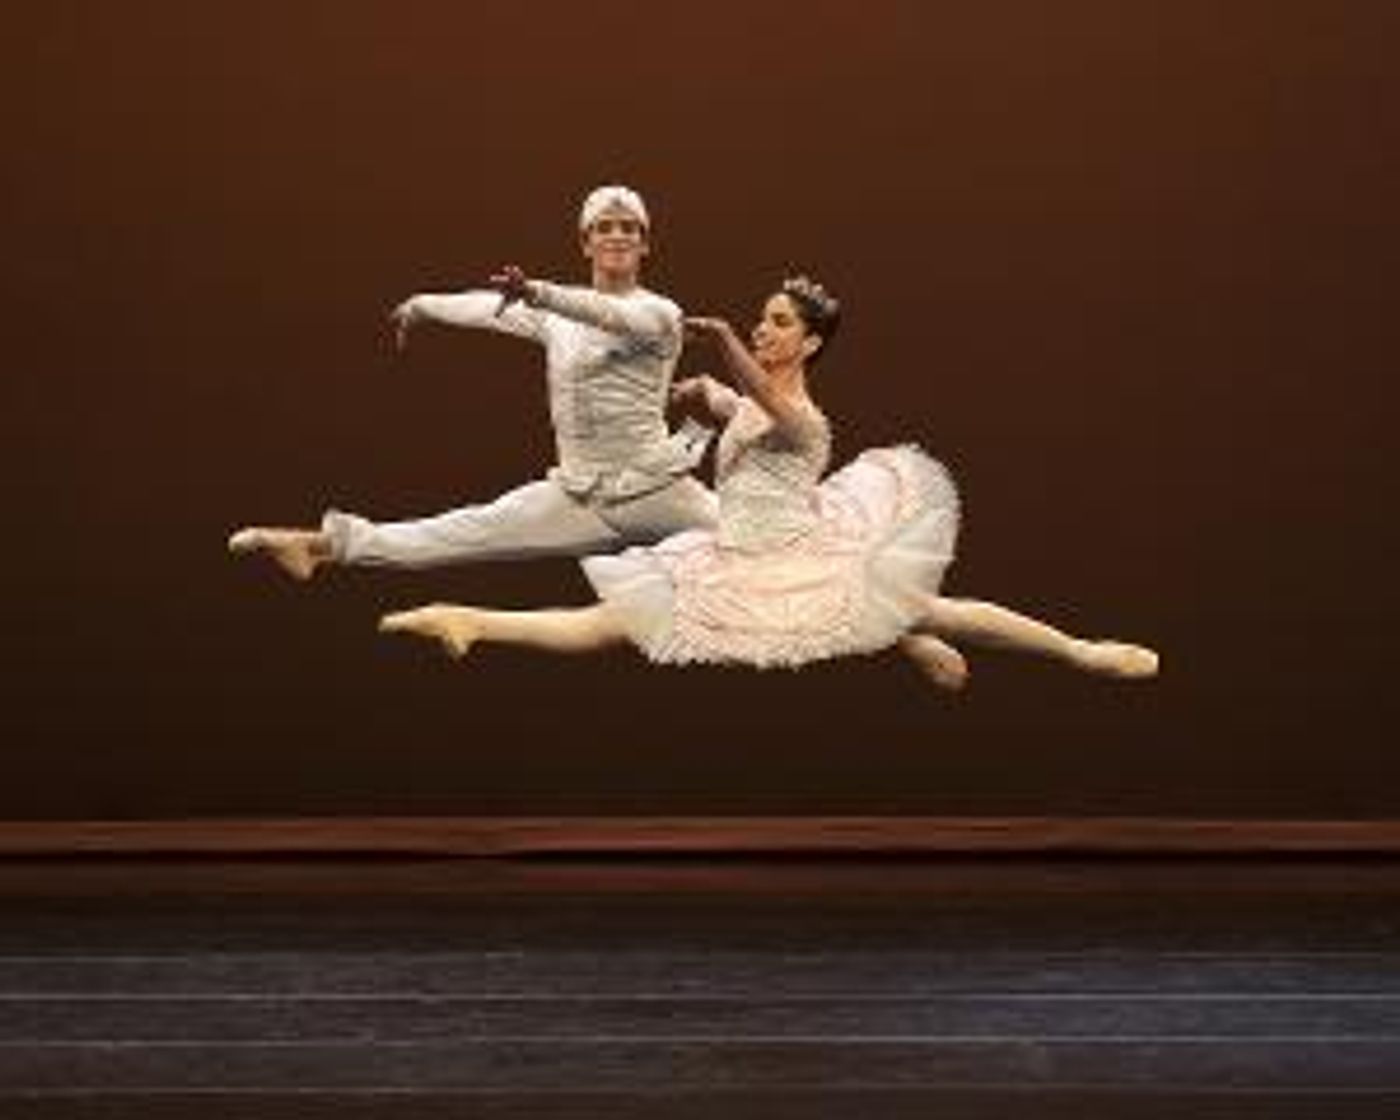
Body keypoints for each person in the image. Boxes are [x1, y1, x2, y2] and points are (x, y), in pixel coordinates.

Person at [379, 276, 1160, 688]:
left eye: (780, 322)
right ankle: (467, 619)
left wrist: (721, 346)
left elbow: (757, 400)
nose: (764, 326)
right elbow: (732, 404)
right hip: (730, 548)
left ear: (811, 343)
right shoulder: (751, 403)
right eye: (762, 317)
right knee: (610, 625)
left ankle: (1078, 651)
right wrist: (696, 395)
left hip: (791, 552)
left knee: (929, 608)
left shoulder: (806, 421)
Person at [228, 185, 716, 580]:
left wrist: (537, 292)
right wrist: (422, 305)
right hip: (580, 494)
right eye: (604, 227)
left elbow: (609, 313)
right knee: (460, 532)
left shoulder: (660, 313)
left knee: (768, 544)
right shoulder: (556, 316)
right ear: (585, 242)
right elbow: (487, 307)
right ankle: (316, 545)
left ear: (645, 243)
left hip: (656, 489)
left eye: (629, 228)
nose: (617, 235)